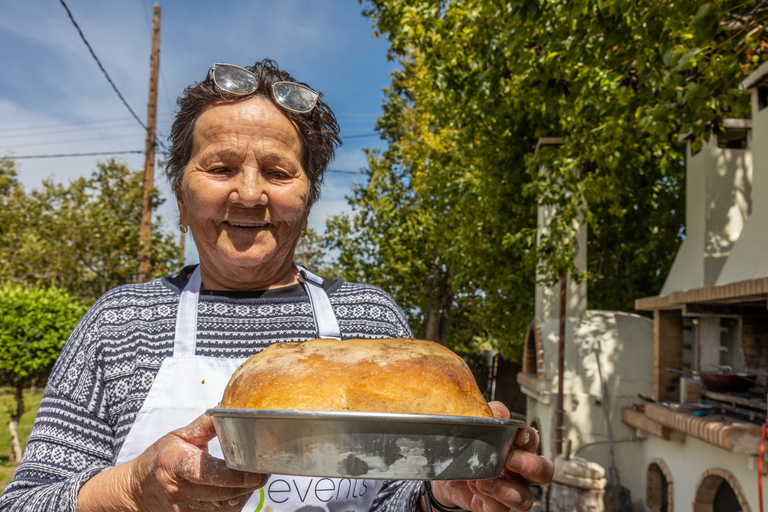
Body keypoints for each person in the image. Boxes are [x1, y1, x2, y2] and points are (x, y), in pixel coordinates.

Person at [0, 59, 553, 512]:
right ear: (181, 196)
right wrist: (130, 491)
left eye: (278, 171)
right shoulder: (121, 323)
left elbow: (395, 495)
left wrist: (445, 497)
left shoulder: (369, 320)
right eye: (219, 167)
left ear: (308, 199)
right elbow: (25, 503)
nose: (249, 193)